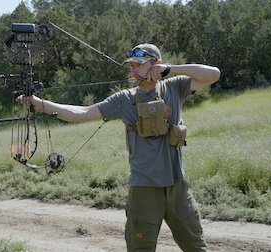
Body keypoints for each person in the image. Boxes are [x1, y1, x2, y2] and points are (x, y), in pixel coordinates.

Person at [20, 43, 220, 251]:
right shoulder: (124, 99)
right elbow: (82, 113)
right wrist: (41, 104)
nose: (133, 69)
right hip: (144, 189)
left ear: (156, 65)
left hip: (177, 187)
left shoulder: (175, 87)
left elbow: (213, 74)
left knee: (196, 247)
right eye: (131, 65)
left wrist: (171, 69)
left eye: (139, 64)